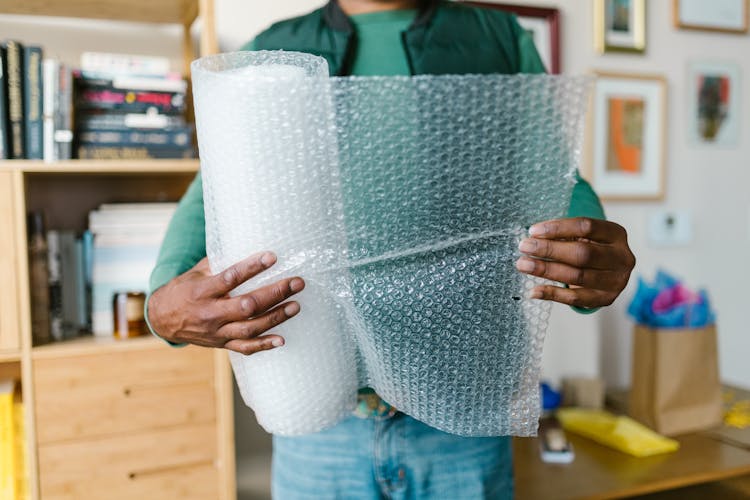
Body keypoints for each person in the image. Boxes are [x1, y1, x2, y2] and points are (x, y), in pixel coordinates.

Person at [147, 0, 636, 498]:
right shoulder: (275, 47)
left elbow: (551, 171)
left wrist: (589, 247)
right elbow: (216, 189)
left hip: (463, 413)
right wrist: (161, 302)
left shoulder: (495, 37)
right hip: (319, 421)